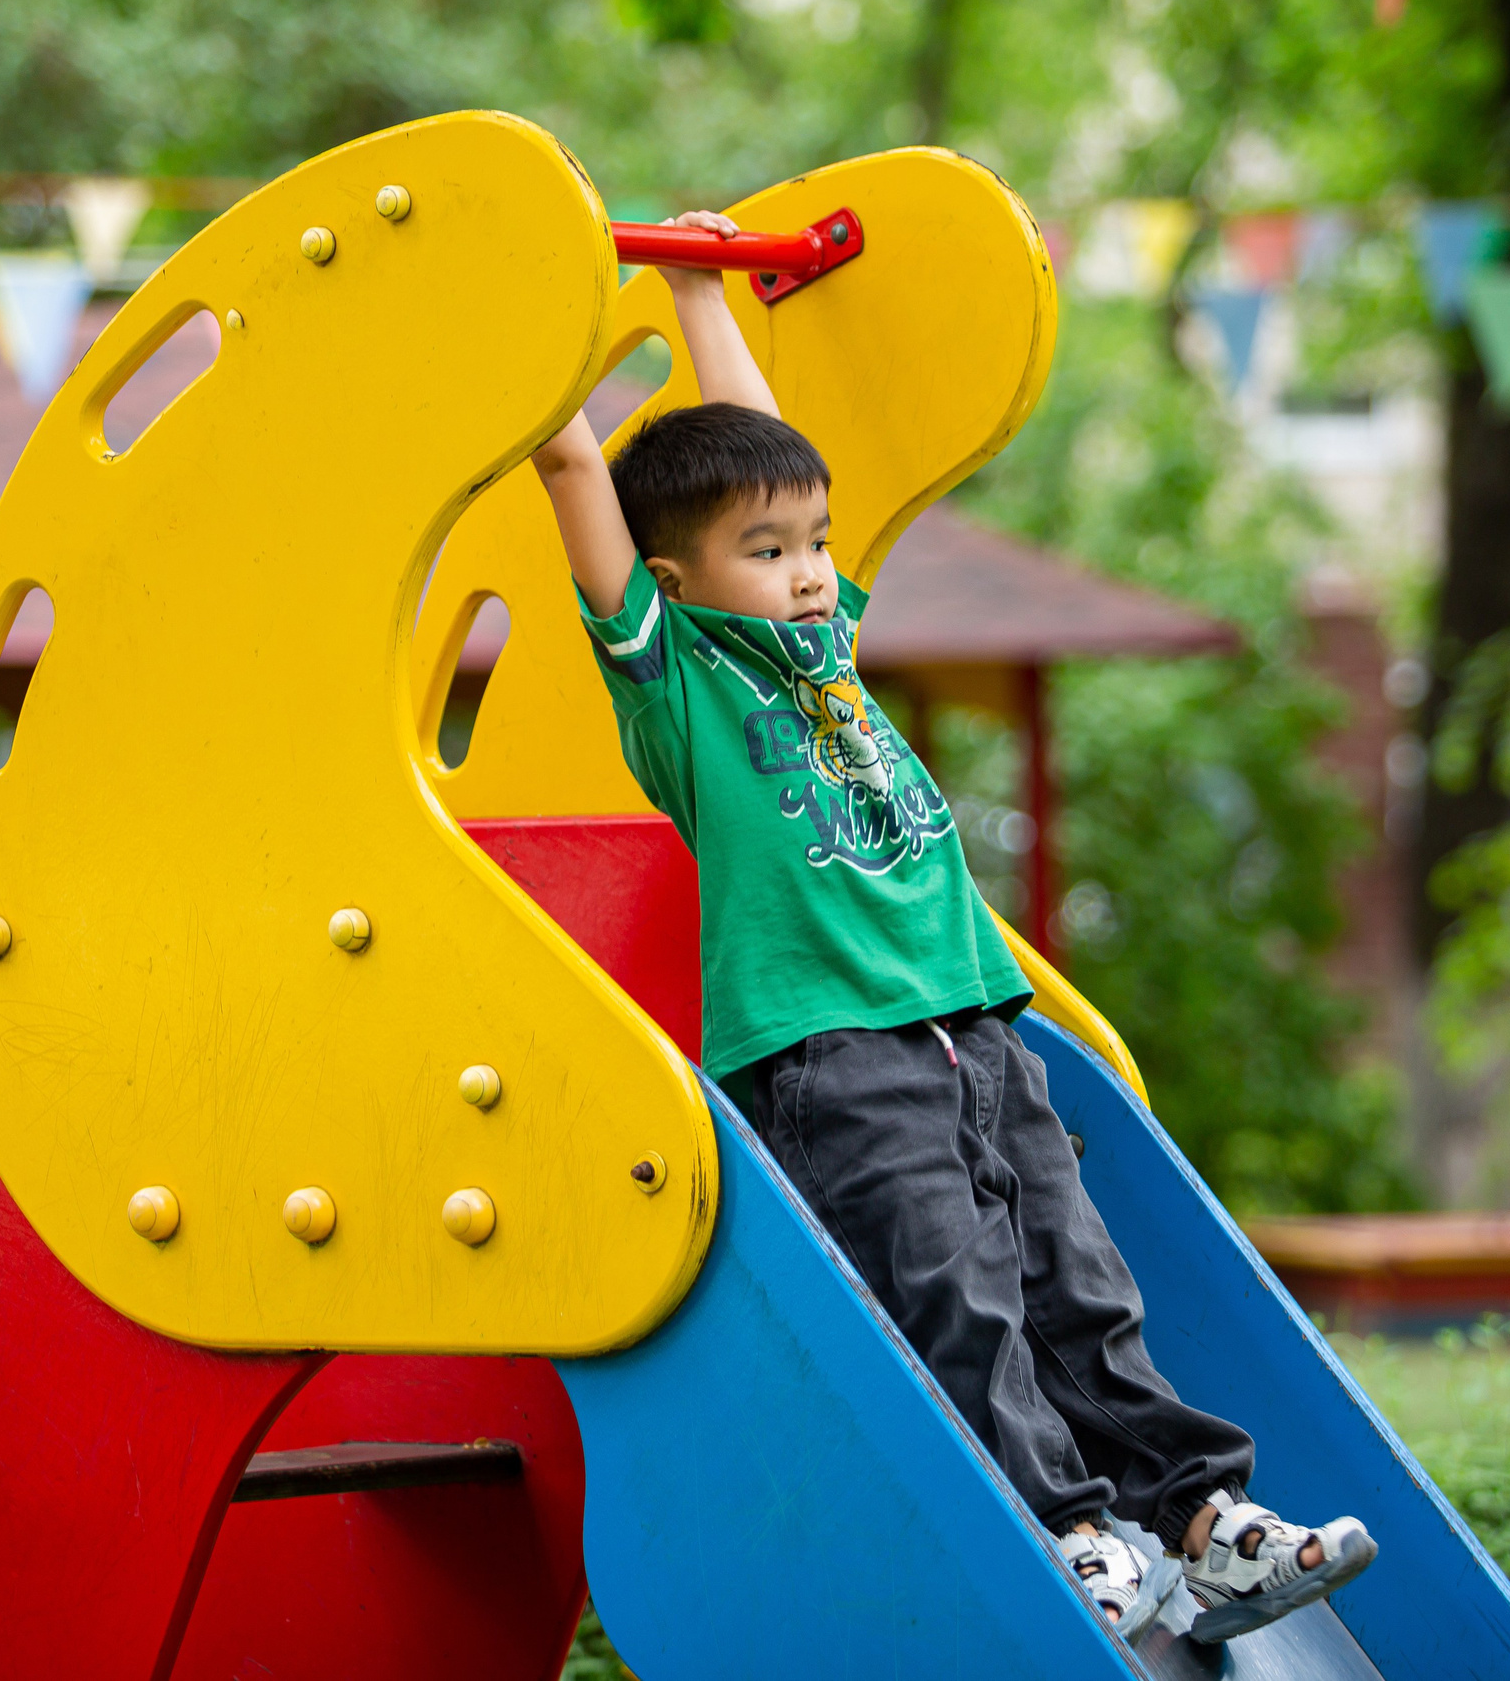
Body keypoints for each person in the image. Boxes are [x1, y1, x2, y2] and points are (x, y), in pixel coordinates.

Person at [529, 211, 1376, 1643]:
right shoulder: (678, 686)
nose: (805, 570)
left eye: (813, 542)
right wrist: (533, 292)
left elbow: (762, 438)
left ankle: (1200, 1520)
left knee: (1079, 1289)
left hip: (974, 1022)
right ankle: (1068, 1537)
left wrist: (696, 284)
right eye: (764, 551)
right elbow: (568, 464)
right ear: (676, 586)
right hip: (830, 1050)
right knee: (961, 1300)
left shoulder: (828, 653)